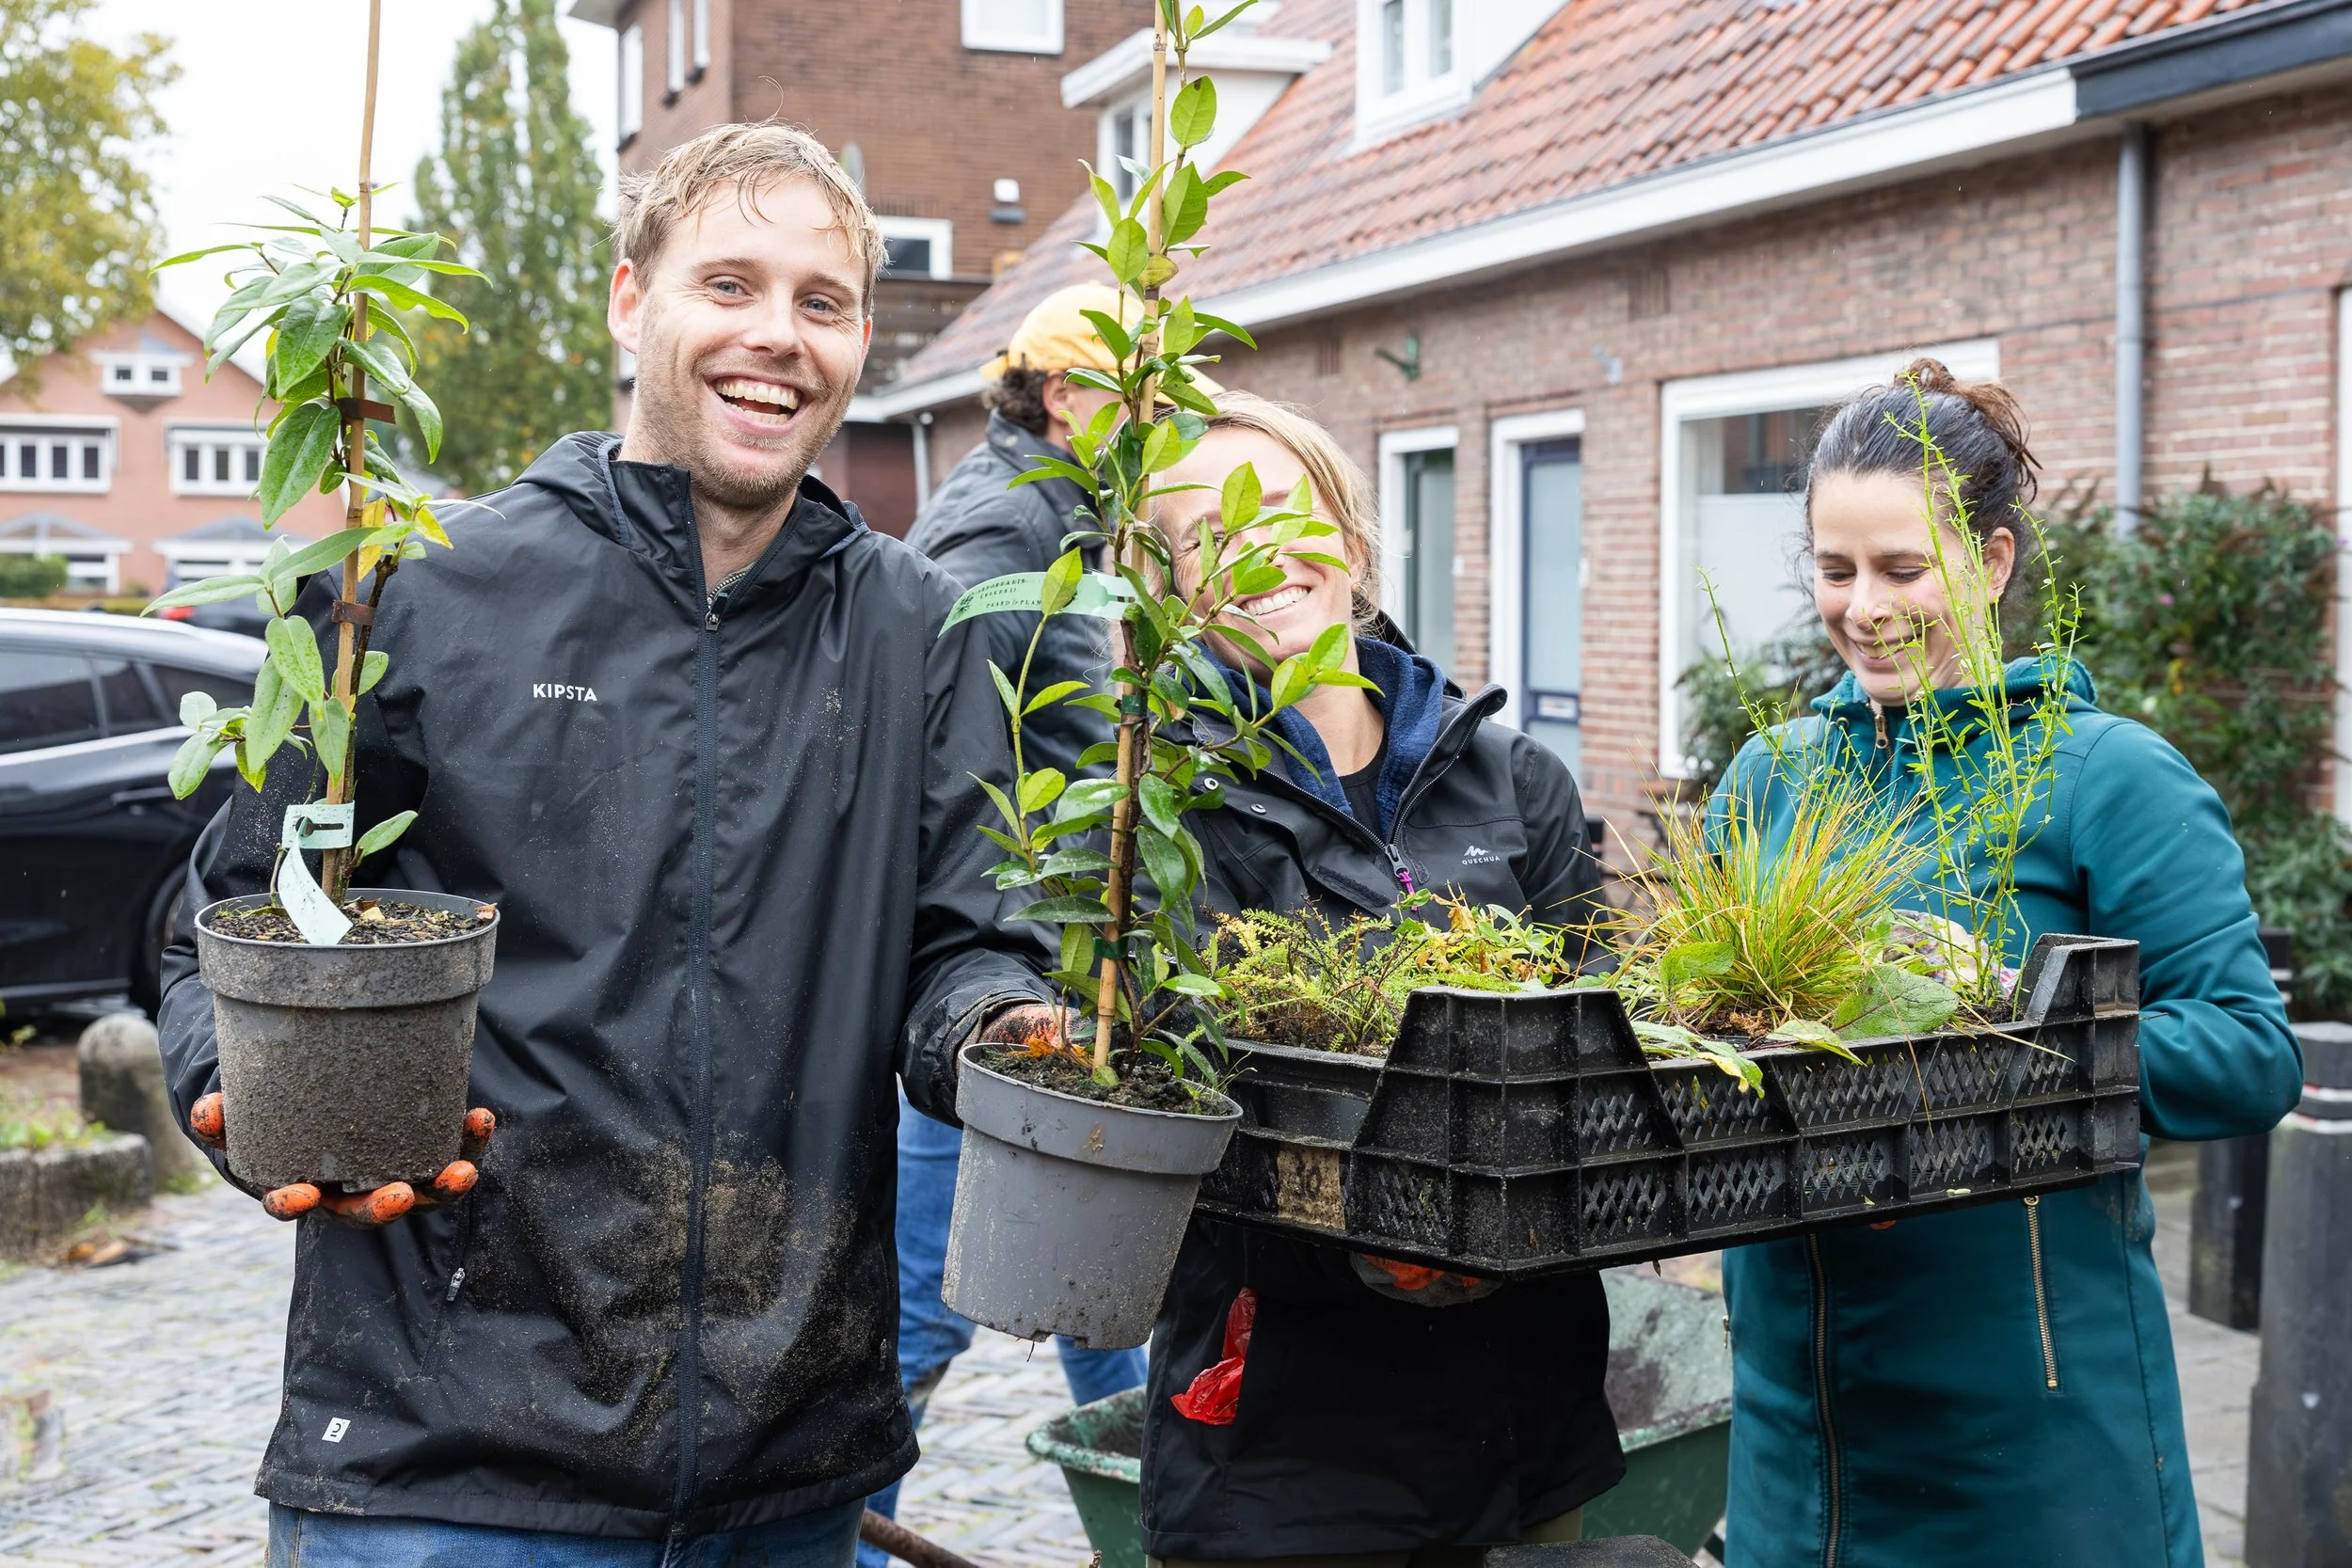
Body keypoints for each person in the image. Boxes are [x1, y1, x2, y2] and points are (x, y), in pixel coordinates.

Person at [156, 122, 1057, 1566]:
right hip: (447, 1459)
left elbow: (968, 932)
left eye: (821, 303)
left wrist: (1008, 1024)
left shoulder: (916, 630)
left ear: (862, 346)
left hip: (788, 1462)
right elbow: (235, 915)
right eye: (729, 285)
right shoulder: (423, 592)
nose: (777, 336)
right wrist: (253, 1097)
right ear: (632, 300)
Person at [1713, 360, 2304, 1568]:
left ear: (1988, 563)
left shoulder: (2104, 778)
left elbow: (2249, 1052)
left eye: (1900, 568)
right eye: (1834, 571)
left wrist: (2005, 1015)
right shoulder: (1770, 774)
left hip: (2025, 1424)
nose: (1862, 607)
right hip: (1794, 1409)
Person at [1138, 394, 1622, 1566]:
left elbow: (1613, 1047)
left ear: (1353, 543)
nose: (1255, 551)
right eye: (1207, 536)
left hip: (1524, 1417)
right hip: (1283, 1449)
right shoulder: (1158, 818)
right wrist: (1365, 1245)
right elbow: (1173, 1121)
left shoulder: (1516, 781)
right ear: (1171, 595)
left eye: (1282, 512)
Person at [861, 286, 1214, 1561]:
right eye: (1153, 403)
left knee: (1109, 1297)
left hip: (1074, 981)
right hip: (998, 986)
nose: (1173, 430)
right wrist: (991, 968)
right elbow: (946, 768)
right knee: (917, 1309)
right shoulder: (1001, 535)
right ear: (1071, 398)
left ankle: (1157, 1527)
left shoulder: (1073, 518)